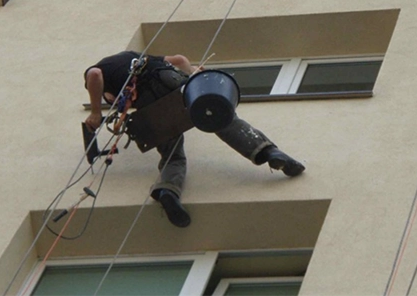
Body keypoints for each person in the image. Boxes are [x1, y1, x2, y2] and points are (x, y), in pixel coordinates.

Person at [84, 51, 305, 228]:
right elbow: (179, 59)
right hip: (168, 79)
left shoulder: (104, 71)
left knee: (172, 155)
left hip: (150, 103)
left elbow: (94, 75)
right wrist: (192, 75)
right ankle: (269, 152)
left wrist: (95, 111)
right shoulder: (140, 57)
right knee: (217, 116)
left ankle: (168, 190)